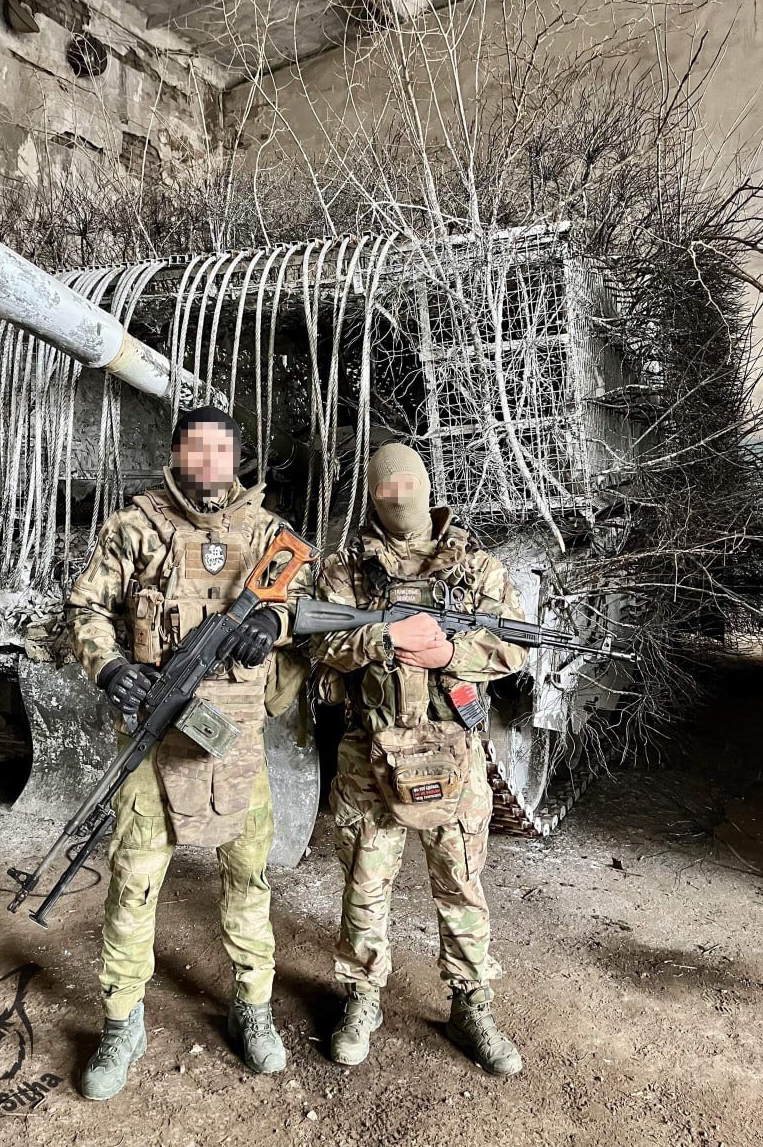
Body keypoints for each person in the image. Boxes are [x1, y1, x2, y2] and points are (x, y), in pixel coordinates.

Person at [66, 406, 306, 1098]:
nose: (208, 462)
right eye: (195, 449)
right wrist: (110, 668)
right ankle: (121, 1023)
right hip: (156, 737)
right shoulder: (134, 526)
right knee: (133, 881)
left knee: (249, 881)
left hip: (239, 742)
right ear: (176, 455)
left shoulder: (266, 533)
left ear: (236, 459)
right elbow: (84, 610)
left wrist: (272, 620)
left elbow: (307, 603)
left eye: (220, 450)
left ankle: (252, 1009)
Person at [313, 442, 529, 1075]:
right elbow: (318, 643)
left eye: (408, 485)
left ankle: (471, 1003)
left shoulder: (476, 567)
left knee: (461, 884)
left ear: (429, 489)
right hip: (369, 755)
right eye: (385, 488)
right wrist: (383, 636)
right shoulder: (345, 570)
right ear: (371, 496)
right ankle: (361, 997)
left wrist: (450, 655)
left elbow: (514, 646)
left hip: (452, 751)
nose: (397, 497)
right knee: (365, 884)